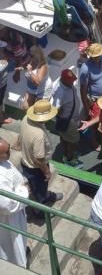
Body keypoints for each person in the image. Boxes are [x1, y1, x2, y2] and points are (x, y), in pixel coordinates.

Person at [18, 100, 64, 208]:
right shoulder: (39, 135)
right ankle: (40, 210)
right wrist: (47, 172)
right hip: (36, 169)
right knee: (40, 190)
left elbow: (21, 136)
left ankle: (43, 195)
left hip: (25, 163)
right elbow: (38, 160)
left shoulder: (26, 119)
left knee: (36, 188)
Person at [0, 139, 29, 267]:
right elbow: (7, 205)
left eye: (9, 149)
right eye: (5, 152)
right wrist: (24, 191)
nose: (9, 153)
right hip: (9, 219)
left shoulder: (3, 162)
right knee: (11, 246)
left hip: (17, 213)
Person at [79, 42, 102, 148]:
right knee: (93, 122)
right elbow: (83, 89)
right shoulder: (85, 68)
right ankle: (94, 143)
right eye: (95, 56)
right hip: (95, 100)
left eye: (98, 55)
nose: (97, 58)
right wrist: (86, 106)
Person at [52, 69, 81, 166]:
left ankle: (65, 154)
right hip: (69, 121)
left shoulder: (68, 85)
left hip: (69, 119)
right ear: (64, 80)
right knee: (73, 141)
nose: (73, 82)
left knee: (64, 137)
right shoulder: (60, 92)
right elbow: (55, 109)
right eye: (71, 81)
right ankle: (70, 159)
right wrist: (61, 113)